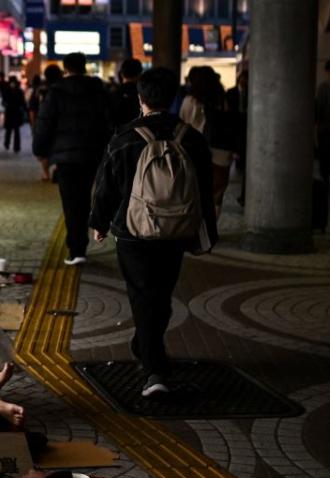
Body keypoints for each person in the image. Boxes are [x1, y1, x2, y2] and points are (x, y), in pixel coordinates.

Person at [89, 67, 218, 397]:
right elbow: (206, 188)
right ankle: (146, 345)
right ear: (173, 97)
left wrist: (99, 223)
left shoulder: (125, 137)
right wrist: (207, 229)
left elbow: (107, 185)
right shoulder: (192, 138)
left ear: (141, 98)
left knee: (143, 295)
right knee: (161, 292)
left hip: (133, 231)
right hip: (177, 231)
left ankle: (154, 370)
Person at [33, 52, 112, 265]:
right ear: (85, 67)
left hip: (65, 157)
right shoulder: (98, 90)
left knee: (71, 202)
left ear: (65, 68)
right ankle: (81, 245)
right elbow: (108, 121)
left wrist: (39, 149)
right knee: (84, 197)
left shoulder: (55, 92)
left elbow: (44, 122)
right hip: (91, 154)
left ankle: (76, 250)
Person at [179, 66, 234, 216]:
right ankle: (213, 229)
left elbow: (183, 125)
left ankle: (201, 229)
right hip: (222, 149)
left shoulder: (190, 100)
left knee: (197, 192)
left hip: (196, 151)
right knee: (217, 194)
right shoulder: (222, 99)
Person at [225, 70, 249, 206]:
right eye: (243, 79)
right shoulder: (231, 92)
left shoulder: (251, 92)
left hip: (246, 126)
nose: (244, 82)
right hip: (234, 125)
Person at [110, 58, 144, 128]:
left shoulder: (113, 93)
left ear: (122, 74)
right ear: (140, 74)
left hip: (119, 134)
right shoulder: (143, 93)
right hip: (140, 132)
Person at [2, 76, 27, 153]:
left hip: (15, 112)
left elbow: (23, 102)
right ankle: (8, 144)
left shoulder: (18, 91)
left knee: (14, 130)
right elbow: (4, 101)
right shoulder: (10, 91)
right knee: (10, 130)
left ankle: (15, 146)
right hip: (12, 112)